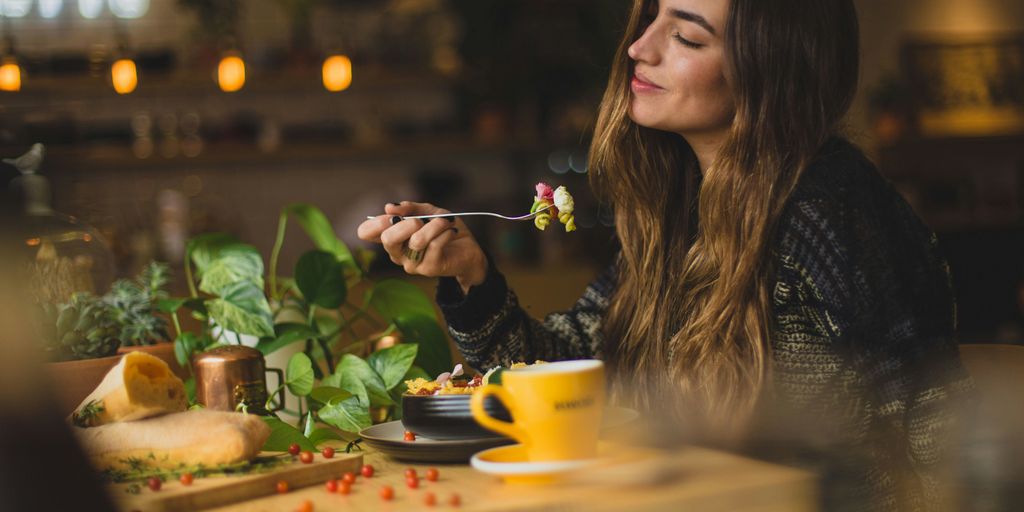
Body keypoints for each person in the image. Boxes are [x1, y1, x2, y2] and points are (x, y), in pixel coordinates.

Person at [358, 0, 971, 510]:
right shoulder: (678, 212)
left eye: (685, 36)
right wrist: (473, 276)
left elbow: (932, 430)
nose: (638, 47)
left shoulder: (831, 206)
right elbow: (567, 377)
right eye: (649, 17)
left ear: (770, 72)